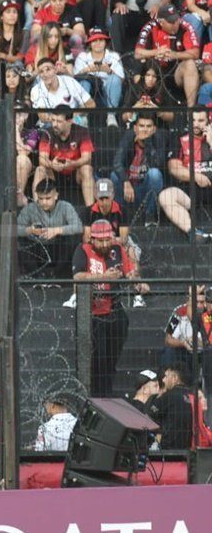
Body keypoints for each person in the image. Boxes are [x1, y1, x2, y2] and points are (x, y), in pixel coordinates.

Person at [74, 219, 143, 397]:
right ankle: (99, 393)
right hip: (92, 311)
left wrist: (137, 280)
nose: (105, 244)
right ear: (92, 239)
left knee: (117, 339)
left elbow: (130, 273)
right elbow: (77, 277)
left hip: (114, 306)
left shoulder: (118, 250)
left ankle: (107, 381)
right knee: (99, 356)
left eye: (107, 240)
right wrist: (103, 276)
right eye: (100, 240)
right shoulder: (83, 250)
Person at [159, 109, 212, 242]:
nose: (196, 124)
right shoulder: (180, 138)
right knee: (166, 196)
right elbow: (174, 168)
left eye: (200, 121)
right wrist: (196, 176)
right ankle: (193, 233)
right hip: (191, 189)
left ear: (208, 121)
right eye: (193, 120)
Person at [18, 179, 84, 279]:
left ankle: (57, 275)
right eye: (41, 198)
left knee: (73, 239)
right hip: (37, 249)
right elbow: (15, 229)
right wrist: (30, 230)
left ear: (56, 195)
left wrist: (56, 230)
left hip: (58, 250)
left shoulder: (65, 206)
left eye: (48, 198)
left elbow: (79, 227)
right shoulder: (30, 208)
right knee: (18, 241)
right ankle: (37, 275)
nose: (44, 202)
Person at [148, 365, 195, 451]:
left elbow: (150, 415)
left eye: (166, 376)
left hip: (169, 447)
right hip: (190, 447)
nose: (163, 380)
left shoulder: (167, 397)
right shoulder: (193, 396)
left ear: (174, 378)